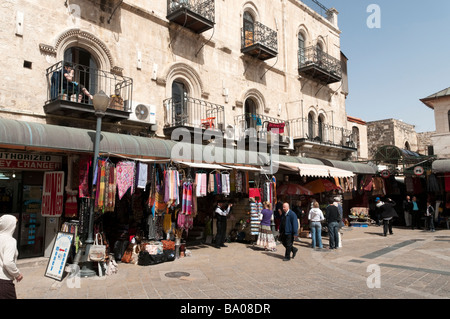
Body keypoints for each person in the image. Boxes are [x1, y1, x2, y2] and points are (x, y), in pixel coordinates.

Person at [0, 215, 23, 299]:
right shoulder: (10, 241)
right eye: (15, 224)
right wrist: (17, 274)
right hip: (3, 281)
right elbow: (8, 262)